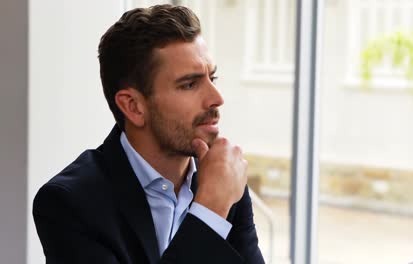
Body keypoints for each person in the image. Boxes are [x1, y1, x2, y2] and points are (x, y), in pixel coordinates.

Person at [32, 4, 265, 264]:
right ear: (133, 106)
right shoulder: (69, 204)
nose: (216, 98)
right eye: (189, 84)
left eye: (213, 77)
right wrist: (209, 210)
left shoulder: (224, 180)